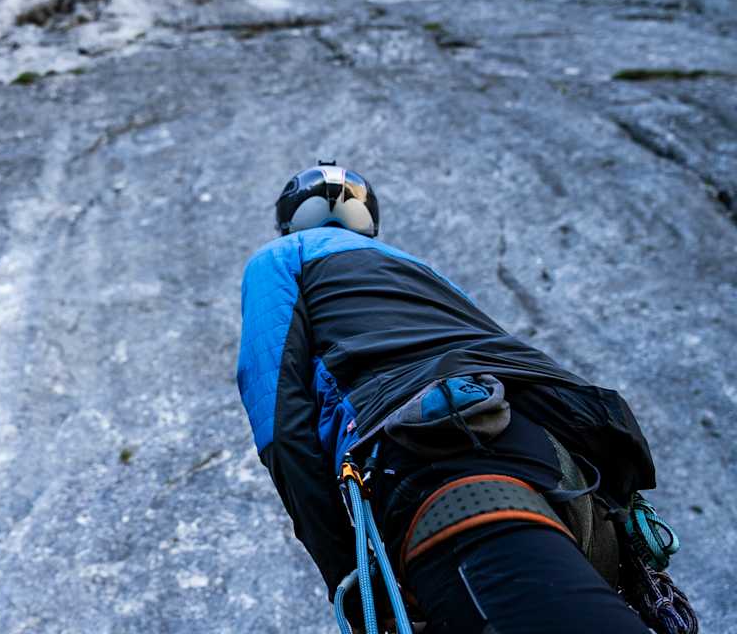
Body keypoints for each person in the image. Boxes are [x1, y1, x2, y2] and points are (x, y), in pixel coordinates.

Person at [235, 161, 685, 634]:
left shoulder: (281, 256)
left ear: (287, 219)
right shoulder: (415, 265)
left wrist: (348, 574)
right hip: (555, 458)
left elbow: (280, 424)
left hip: (430, 464)